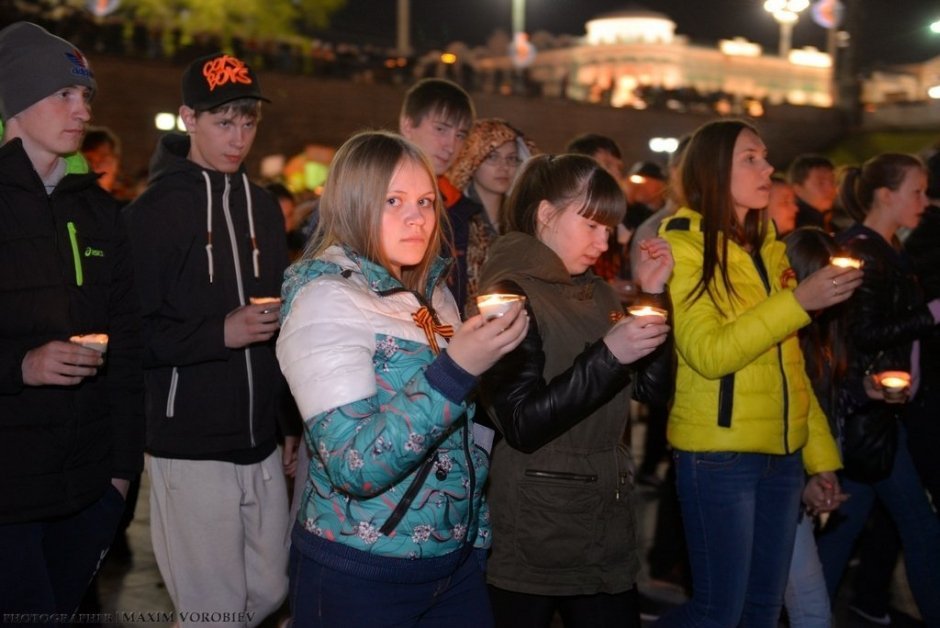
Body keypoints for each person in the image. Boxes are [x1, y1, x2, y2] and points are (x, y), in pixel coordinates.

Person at [276, 130, 528, 628]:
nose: (417, 217)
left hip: (450, 563)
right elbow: (354, 463)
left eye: (426, 201)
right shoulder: (326, 299)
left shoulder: (431, 292)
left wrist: (474, 536)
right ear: (353, 203)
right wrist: (458, 369)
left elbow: (459, 434)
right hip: (362, 568)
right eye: (393, 201)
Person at [653, 119, 859, 628]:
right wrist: (797, 302)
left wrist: (819, 459)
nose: (768, 167)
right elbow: (708, 354)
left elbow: (790, 365)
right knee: (718, 612)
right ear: (713, 170)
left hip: (782, 458)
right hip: (720, 455)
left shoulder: (768, 247)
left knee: (763, 612)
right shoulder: (684, 246)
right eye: (751, 157)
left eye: (765, 156)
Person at [124, 52, 292, 625]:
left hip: (261, 440)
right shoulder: (154, 212)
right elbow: (129, 338)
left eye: (248, 122)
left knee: (270, 590)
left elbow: (281, 331)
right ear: (187, 119)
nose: (238, 137)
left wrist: (287, 421)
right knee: (210, 611)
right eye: (224, 122)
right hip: (189, 443)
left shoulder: (266, 208)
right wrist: (219, 332)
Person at [477, 153, 674, 628]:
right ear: (546, 214)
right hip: (537, 523)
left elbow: (652, 388)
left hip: (605, 518)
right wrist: (609, 355)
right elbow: (522, 421)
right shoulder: (508, 290)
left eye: (610, 229)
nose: (603, 241)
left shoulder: (598, 291)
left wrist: (652, 296)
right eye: (592, 225)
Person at [0, 21, 143, 614]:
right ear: (15, 99)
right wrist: (21, 366)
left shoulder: (101, 212)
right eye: (64, 93)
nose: (81, 109)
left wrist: (119, 478)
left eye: (86, 97)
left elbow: (130, 346)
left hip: (88, 490)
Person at [814, 152, 940, 625]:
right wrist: (931, 313)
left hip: (884, 412)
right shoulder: (862, 250)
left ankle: (806, 616)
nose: (925, 202)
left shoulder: (889, 247)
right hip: (867, 410)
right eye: (917, 192)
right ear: (885, 196)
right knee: (922, 527)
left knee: (844, 528)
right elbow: (862, 332)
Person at [444, 118, 534, 313]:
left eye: (511, 159)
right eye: (492, 157)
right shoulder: (454, 220)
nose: (504, 167)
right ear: (473, 159)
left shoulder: (522, 223)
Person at [788, 154, 837, 232]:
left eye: (832, 181)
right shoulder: (795, 228)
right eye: (820, 183)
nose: (831, 188)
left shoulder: (833, 219)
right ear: (798, 189)